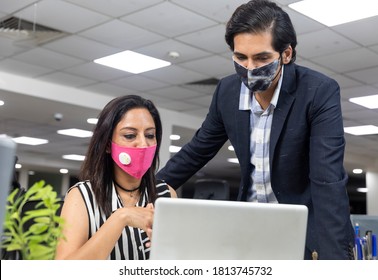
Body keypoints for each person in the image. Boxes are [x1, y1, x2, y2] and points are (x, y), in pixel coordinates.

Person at [157, 0, 354, 260]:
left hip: (305, 232)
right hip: (250, 231)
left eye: (262, 58)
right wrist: (145, 190)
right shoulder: (227, 92)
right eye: (240, 57)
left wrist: (336, 263)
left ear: (286, 54)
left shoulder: (318, 92)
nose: (249, 68)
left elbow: (327, 180)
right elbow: (196, 152)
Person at [56, 95, 177, 260]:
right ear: (107, 145)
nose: (143, 144)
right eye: (130, 136)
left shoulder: (167, 194)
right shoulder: (82, 195)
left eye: (150, 135)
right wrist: (122, 217)